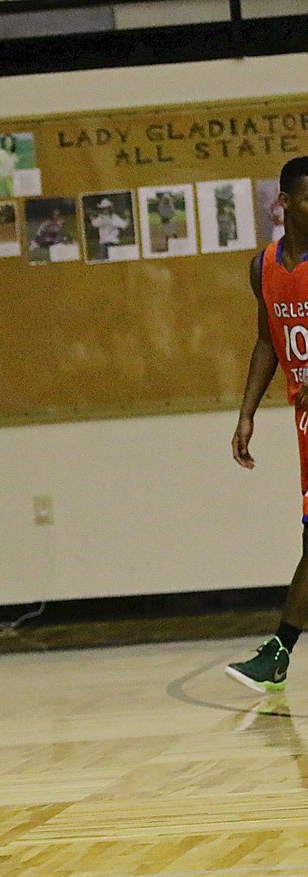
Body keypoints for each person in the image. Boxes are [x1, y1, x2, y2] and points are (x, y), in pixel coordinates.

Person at [227, 155, 308, 695]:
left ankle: (278, 651)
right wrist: (247, 411)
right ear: (284, 202)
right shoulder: (264, 267)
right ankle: (278, 654)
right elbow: (266, 340)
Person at [0, 134, 18, 198]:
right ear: (3, 142)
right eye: (6, 141)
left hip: (13, 179)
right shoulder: (0, 153)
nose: (8, 143)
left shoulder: (13, 155)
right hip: (5, 179)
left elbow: (15, 168)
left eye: (10, 141)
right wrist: (0, 177)